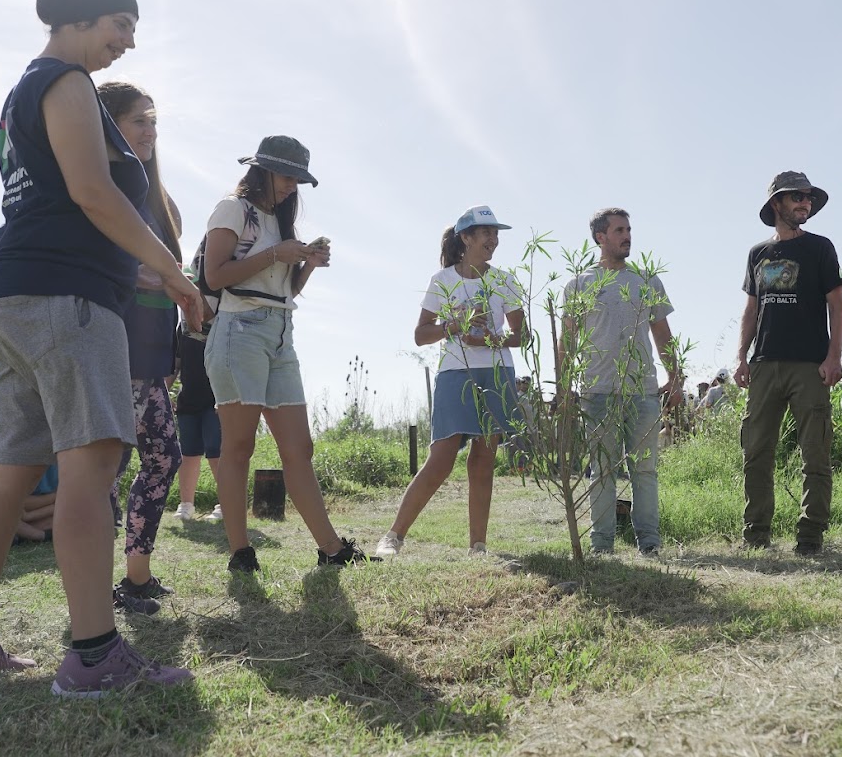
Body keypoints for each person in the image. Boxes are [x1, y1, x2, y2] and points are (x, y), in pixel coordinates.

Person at [0, 0, 201, 696]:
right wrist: (175, 270)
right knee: (93, 465)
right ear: (82, 16)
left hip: (13, 297)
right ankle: (94, 652)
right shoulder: (66, 81)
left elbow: (67, 214)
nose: (127, 43)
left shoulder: (24, 94)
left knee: (9, 467)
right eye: (121, 25)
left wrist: (147, 275)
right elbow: (93, 194)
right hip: (63, 303)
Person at [203, 135, 363, 572]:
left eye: (298, 179)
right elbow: (214, 276)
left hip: (278, 332)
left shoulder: (278, 221)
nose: (293, 186)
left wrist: (307, 262)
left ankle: (331, 550)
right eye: (288, 176)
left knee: (299, 447)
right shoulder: (233, 209)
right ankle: (240, 552)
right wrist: (277, 253)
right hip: (238, 330)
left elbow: (285, 291)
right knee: (239, 447)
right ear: (263, 170)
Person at [374, 206, 526, 559]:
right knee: (440, 459)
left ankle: (478, 547)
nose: (493, 239)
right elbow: (420, 335)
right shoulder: (443, 281)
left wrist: (491, 339)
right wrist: (454, 327)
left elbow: (522, 336)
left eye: (496, 232)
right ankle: (393, 537)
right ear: (466, 238)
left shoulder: (504, 281)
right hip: (455, 373)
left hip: (496, 373)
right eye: (485, 232)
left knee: (483, 460)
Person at [98, 81, 185, 615]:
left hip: (152, 356)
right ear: (109, 126)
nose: (150, 131)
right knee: (109, 466)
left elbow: (171, 276)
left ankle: (134, 578)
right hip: (113, 349)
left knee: (161, 457)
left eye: (153, 121)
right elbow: (108, 266)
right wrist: (152, 276)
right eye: (138, 121)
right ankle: (100, 584)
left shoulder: (161, 200)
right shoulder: (102, 186)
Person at [733, 171, 842, 555]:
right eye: (796, 197)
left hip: (810, 365)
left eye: (808, 198)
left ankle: (810, 536)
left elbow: (836, 303)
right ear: (776, 204)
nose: (805, 203)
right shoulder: (757, 254)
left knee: (815, 452)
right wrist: (741, 358)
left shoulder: (820, 248)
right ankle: (756, 535)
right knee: (756, 453)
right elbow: (751, 310)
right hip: (763, 364)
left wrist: (834, 356)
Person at [560, 208, 683, 557]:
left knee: (645, 470)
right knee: (602, 471)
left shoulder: (647, 281)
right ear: (600, 237)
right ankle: (602, 546)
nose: (627, 236)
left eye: (629, 229)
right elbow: (567, 340)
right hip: (597, 391)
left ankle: (650, 543)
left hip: (642, 392)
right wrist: (564, 387)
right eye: (619, 230)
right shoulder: (580, 284)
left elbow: (662, 334)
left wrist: (675, 377)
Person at [173, 323, 224, 523]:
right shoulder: (182, 327)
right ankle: (186, 505)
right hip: (188, 399)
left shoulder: (223, 321)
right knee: (188, 452)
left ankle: (226, 504)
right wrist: (160, 394)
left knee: (216, 450)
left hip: (216, 399)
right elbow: (175, 364)